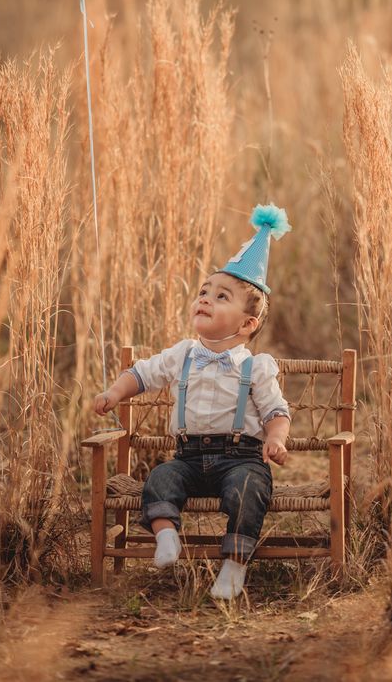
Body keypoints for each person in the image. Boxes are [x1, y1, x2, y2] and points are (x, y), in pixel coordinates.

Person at [93, 203, 292, 600]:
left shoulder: (256, 367)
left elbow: (276, 410)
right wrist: (115, 392)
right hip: (187, 457)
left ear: (247, 323)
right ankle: (167, 538)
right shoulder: (182, 353)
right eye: (203, 292)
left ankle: (234, 566)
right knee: (159, 480)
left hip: (241, 458)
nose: (205, 299)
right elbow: (142, 374)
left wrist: (276, 438)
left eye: (221, 297)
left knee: (250, 489)